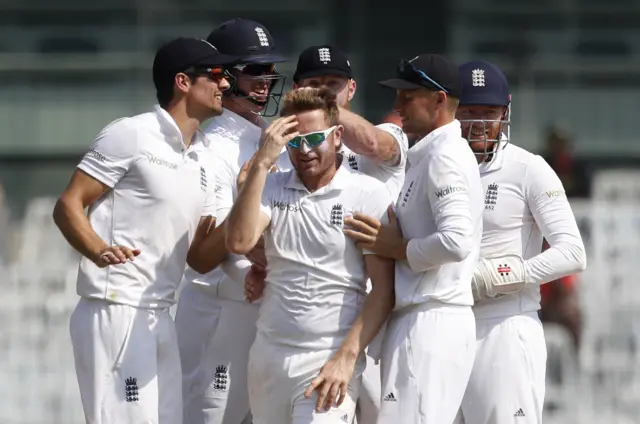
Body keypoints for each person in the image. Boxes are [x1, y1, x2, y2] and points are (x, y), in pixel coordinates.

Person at [52, 37, 236, 424]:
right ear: (183, 82)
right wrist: (99, 249)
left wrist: (251, 191)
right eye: (217, 74)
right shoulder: (131, 133)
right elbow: (69, 204)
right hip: (115, 307)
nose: (225, 85)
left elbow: (201, 259)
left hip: (158, 316)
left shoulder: (206, 158)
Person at [225, 87, 395, 424]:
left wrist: (346, 357)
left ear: (337, 136)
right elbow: (240, 241)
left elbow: (383, 291)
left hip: (327, 360)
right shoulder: (272, 187)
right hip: (269, 358)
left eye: (314, 138)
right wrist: (261, 163)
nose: (304, 151)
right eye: (293, 141)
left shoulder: (367, 193)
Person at [343, 54, 484, 424]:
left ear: (439, 100)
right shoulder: (432, 153)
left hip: (431, 319)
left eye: (408, 96)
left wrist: (398, 248)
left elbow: (456, 241)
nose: (397, 106)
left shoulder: (444, 157)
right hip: (423, 318)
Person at [453, 60, 587, 424]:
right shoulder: (434, 167)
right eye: (468, 111)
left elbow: (573, 252)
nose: (478, 122)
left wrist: (505, 274)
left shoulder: (528, 168)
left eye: (488, 112)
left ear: (505, 111)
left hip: (505, 325)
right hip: (445, 323)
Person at [173, 19, 290, 424]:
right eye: (253, 70)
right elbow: (213, 241)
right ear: (223, 75)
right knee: (209, 416)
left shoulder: (273, 137)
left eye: (268, 70)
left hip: (262, 308)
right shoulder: (212, 147)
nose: (265, 80)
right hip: (218, 311)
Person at [291, 44, 408, 424]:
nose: (326, 90)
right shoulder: (291, 150)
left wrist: (321, 107)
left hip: (386, 311)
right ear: (296, 89)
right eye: (315, 84)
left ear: (352, 89)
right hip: (321, 320)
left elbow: (376, 146)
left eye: (334, 84)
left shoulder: (388, 133)